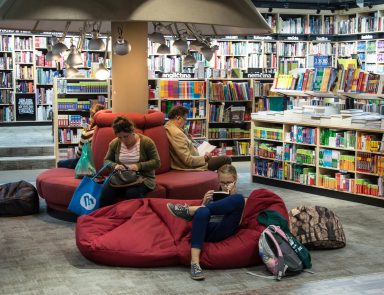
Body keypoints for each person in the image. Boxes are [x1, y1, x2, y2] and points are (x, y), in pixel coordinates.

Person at [166, 164, 246, 280]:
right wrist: (204, 203)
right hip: (207, 231)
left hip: (224, 228)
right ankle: (195, 264)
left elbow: (239, 222)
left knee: (238, 199)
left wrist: (231, 196)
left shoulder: (240, 199)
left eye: (229, 182)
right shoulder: (213, 196)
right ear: (218, 181)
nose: (225, 186)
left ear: (235, 180)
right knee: (202, 211)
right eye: (222, 183)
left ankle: (189, 211)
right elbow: (202, 219)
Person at [99, 116, 161, 207]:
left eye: (126, 136)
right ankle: (105, 218)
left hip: (142, 178)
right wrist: (115, 166)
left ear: (132, 131)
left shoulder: (147, 142)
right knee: (105, 193)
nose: (123, 140)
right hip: (119, 177)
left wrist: (138, 166)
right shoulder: (114, 143)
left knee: (132, 193)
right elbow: (106, 161)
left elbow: (157, 162)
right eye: (120, 137)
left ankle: (138, 218)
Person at [164, 105, 231, 171]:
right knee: (226, 159)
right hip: (193, 165)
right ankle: (223, 180)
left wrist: (188, 137)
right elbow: (187, 160)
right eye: (185, 120)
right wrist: (205, 158)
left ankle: (218, 179)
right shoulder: (177, 133)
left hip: (196, 157)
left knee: (217, 158)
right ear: (178, 118)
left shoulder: (170, 126)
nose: (185, 122)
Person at [57, 103, 106, 169]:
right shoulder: (109, 130)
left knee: (60, 163)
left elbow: (78, 155)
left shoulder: (87, 133)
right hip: (104, 164)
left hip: (88, 164)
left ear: (92, 117)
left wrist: (85, 132)